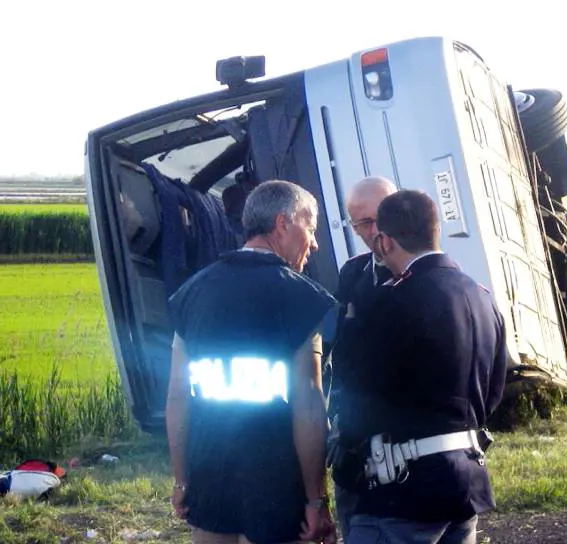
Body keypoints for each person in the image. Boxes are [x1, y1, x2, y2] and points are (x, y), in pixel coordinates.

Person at [165, 180, 338, 544]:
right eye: (310, 228)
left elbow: (177, 398)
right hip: (277, 483)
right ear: (283, 223)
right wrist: (315, 499)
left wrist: (181, 479)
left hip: (210, 479)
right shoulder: (303, 298)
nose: (314, 242)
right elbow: (308, 406)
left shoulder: (191, 293)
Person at [336, 189, 508, 544]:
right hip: (464, 479)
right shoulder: (482, 297)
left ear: (383, 241)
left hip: (402, 490)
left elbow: (359, 394)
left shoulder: (391, 302)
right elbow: (493, 393)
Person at [326, 175, 397, 540]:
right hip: (354, 430)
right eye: (362, 224)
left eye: (378, 219)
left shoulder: (431, 273)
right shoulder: (352, 272)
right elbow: (340, 349)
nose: (373, 231)